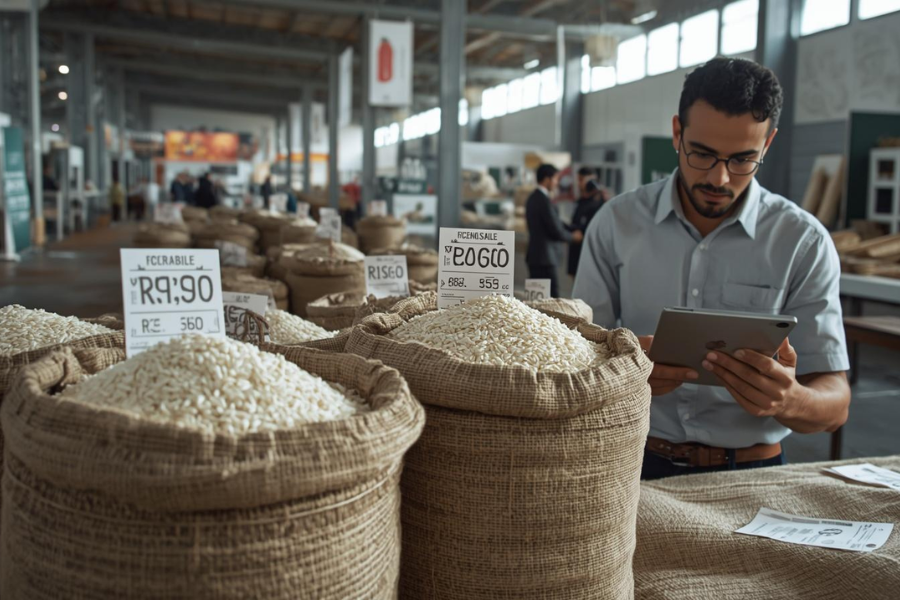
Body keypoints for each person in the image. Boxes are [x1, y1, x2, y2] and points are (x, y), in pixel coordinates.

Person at [573, 57, 850, 481]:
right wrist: (621, 372)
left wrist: (788, 399)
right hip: (632, 462)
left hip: (754, 471)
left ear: (767, 145)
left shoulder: (802, 242)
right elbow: (575, 357)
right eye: (702, 154)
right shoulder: (616, 224)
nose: (719, 179)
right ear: (677, 133)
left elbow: (835, 405)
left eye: (742, 159)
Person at [525, 164, 582, 298]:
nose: (557, 183)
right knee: (551, 299)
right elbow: (555, 229)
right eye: (556, 179)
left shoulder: (533, 198)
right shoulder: (544, 201)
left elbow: (555, 221)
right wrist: (573, 237)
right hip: (546, 259)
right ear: (547, 179)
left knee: (536, 300)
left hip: (535, 257)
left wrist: (571, 228)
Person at [567, 168, 605, 277]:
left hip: (590, 253)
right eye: (578, 180)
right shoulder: (580, 201)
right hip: (576, 251)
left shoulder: (600, 201)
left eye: (582, 180)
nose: (579, 184)